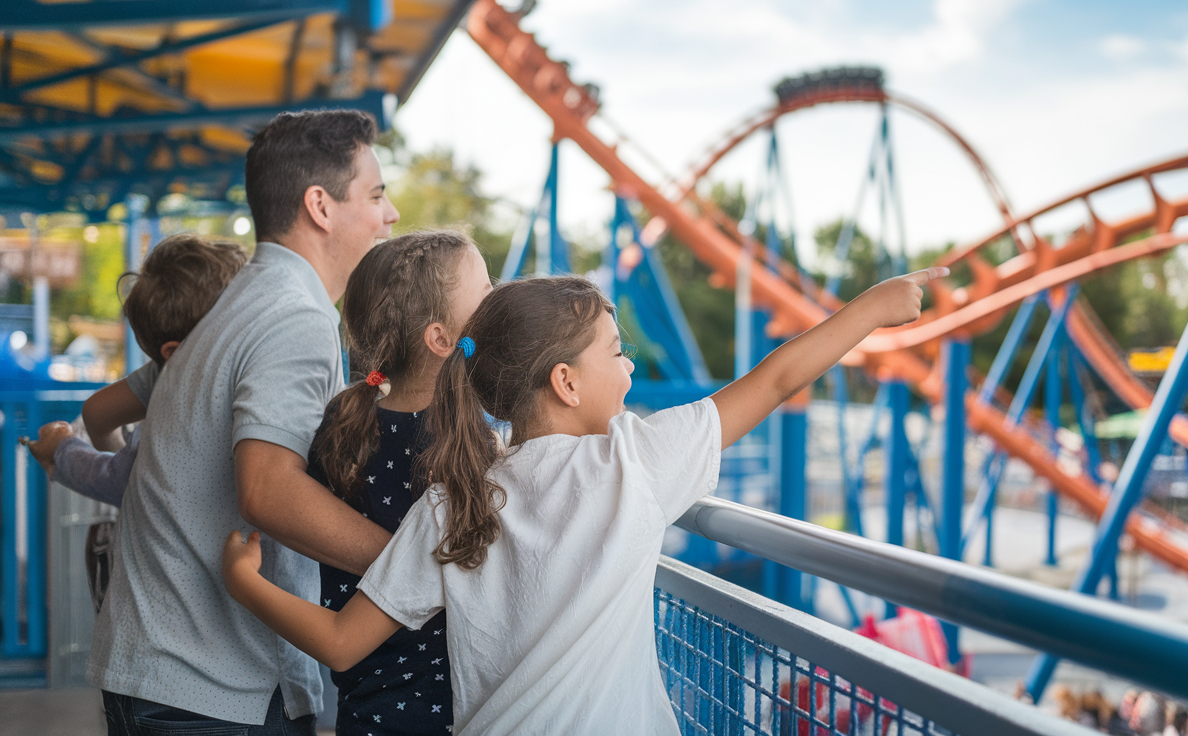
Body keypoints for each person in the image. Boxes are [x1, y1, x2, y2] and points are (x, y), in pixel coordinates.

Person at [223, 267, 948, 734]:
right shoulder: (632, 463)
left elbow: (341, 642)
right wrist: (872, 308)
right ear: (567, 382)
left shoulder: (454, 502)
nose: (630, 364)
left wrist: (244, 585)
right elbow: (778, 379)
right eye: (616, 350)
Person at [90, 108, 399, 736]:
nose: (389, 215)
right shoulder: (295, 315)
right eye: (375, 194)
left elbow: (105, 414)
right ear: (321, 205)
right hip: (205, 687)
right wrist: (410, 562)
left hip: (171, 673)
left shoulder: (243, 300)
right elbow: (267, 489)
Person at [307, 230, 491, 735]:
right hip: (454, 712)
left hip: (365, 709)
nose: (499, 304)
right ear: (442, 340)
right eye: (487, 294)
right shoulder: (465, 443)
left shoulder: (345, 423)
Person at [24, 234, 247, 611]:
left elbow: (97, 414)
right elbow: (117, 477)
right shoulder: (178, 414)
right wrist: (62, 452)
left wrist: (71, 449)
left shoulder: (180, 375)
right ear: (177, 355)